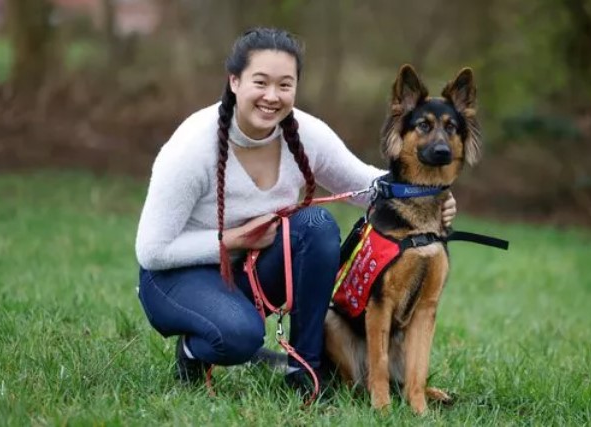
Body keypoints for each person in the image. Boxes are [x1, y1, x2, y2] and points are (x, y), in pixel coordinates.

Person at [134, 27, 457, 395]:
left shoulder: (304, 132)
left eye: (285, 85)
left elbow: (370, 187)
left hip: (246, 269)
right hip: (173, 275)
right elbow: (152, 250)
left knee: (317, 225)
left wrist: (433, 197)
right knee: (239, 336)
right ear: (234, 81)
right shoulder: (192, 146)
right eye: (261, 81)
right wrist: (233, 239)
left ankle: (305, 371)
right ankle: (194, 351)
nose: (272, 96)